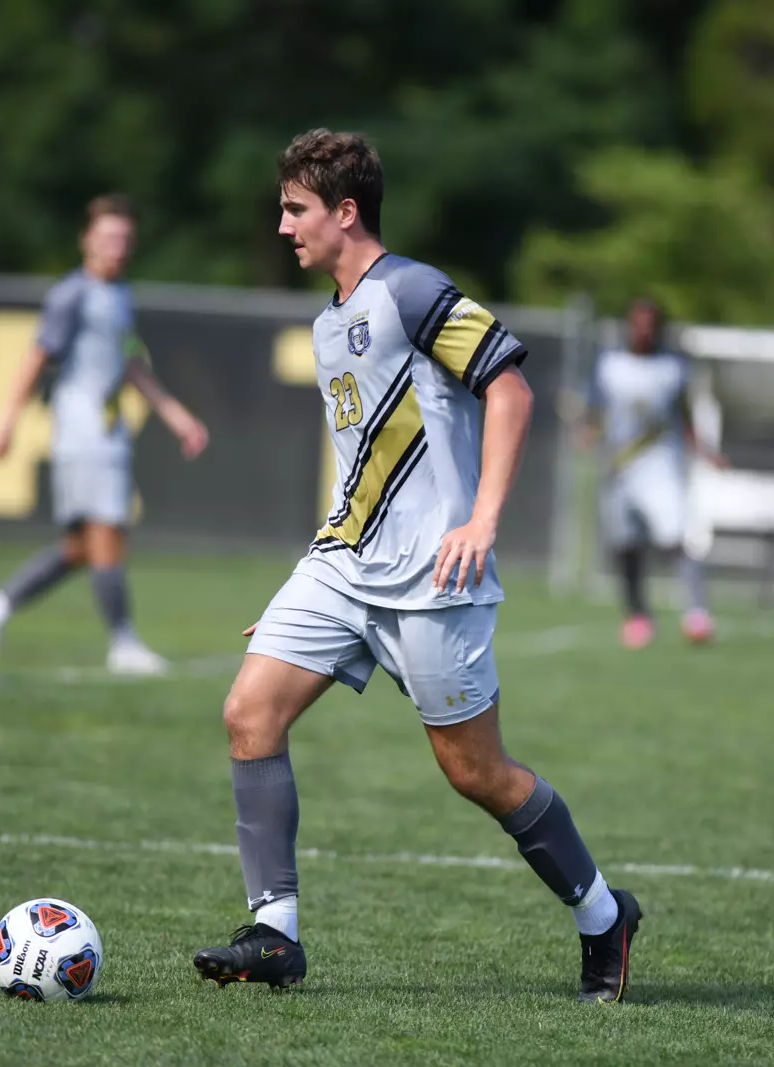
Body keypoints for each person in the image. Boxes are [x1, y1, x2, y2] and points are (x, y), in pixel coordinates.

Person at [190, 129, 641, 1002]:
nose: (283, 226)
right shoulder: (329, 323)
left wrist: (482, 517)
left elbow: (510, 386)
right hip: (345, 567)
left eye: (296, 209)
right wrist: (305, 583)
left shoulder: (411, 289)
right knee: (249, 711)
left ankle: (602, 917)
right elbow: (362, 467)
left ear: (345, 212)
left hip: (438, 579)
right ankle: (274, 932)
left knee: (476, 772)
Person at [0, 195, 209, 675]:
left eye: (125, 239)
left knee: (81, 547)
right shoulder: (71, 294)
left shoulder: (121, 295)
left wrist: (177, 416)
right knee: (109, 532)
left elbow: (132, 362)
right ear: (86, 239)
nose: (117, 247)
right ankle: (124, 643)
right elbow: (36, 357)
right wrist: (6, 423)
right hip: (83, 431)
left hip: (108, 430)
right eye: (108, 237)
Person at [583, 298, 722, 648]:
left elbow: (684, 415)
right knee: (626, 545)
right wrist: (586, 432)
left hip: (660, 466)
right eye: (637, 323)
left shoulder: (673, 367)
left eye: (650, 324)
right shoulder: (609, 364)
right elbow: (595, 409)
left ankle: (696, 612)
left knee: (674, 537)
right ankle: (638, 615)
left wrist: (705, 450)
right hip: (618, 469)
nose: (643, 331)